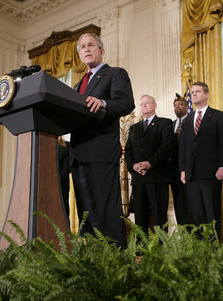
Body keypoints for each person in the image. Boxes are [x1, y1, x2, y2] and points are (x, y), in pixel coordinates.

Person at [70, 33, 135, 248]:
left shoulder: (115, 74)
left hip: (101, 152)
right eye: (82, 47)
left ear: (101, 51)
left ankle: (116, 258)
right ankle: (93, 256)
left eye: (90, 45)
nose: (86, 49)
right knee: (86, 211)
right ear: (79, 55)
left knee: (106, 209)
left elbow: (126, 103)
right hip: (78, 154)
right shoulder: (78, 85)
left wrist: (104, 103)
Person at [179, 82, 223, 238]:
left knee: (211, 212)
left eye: (198, 91)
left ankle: (215, 250)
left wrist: (222, 166)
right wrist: (182, 169)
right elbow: (184, 147)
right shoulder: (187, 120)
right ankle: (201, 250)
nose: (193, 94)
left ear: (207, 94)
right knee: (196, 213)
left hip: (211, 173)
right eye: (192, 92)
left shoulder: (218, 116)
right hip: (192, 173)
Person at [125, 95, 175, 233]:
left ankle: (159, 249)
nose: (144, 106)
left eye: (147, 103)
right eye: (141, 104)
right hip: (138, 178)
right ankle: (141, 248)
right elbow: (128, 150)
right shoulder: (134, 128)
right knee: (140, 215)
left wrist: (150, 163)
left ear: (154, 105)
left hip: (157, 176)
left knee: (159, 215)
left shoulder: (165, 123)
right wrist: (133, 166)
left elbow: (167, 146)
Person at [171, 94, 191, 225]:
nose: (178, 107)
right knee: (178, 201)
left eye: (181, 105)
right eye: (175, 105)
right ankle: (182, 229)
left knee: (190, 201)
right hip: (174, 169)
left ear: (187, 106)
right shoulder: (170, 124)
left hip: (189, 167)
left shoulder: (192, 120)